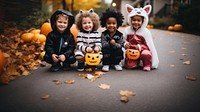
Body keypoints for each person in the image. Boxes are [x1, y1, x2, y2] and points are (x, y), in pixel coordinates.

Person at [123, 4, 159, 71]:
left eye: (138, 21)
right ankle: (135, 62)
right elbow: (123, 40)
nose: (136, 22)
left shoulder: (146, 32)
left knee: (146, 54)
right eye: (134, 20)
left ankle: (147, 64)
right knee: (129, 66)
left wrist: (139, 47)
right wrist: (125, 44)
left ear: (143, 21)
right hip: (131, 51)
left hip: (142, 50)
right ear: (130, 20)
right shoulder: (127, 30)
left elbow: (149, 45)